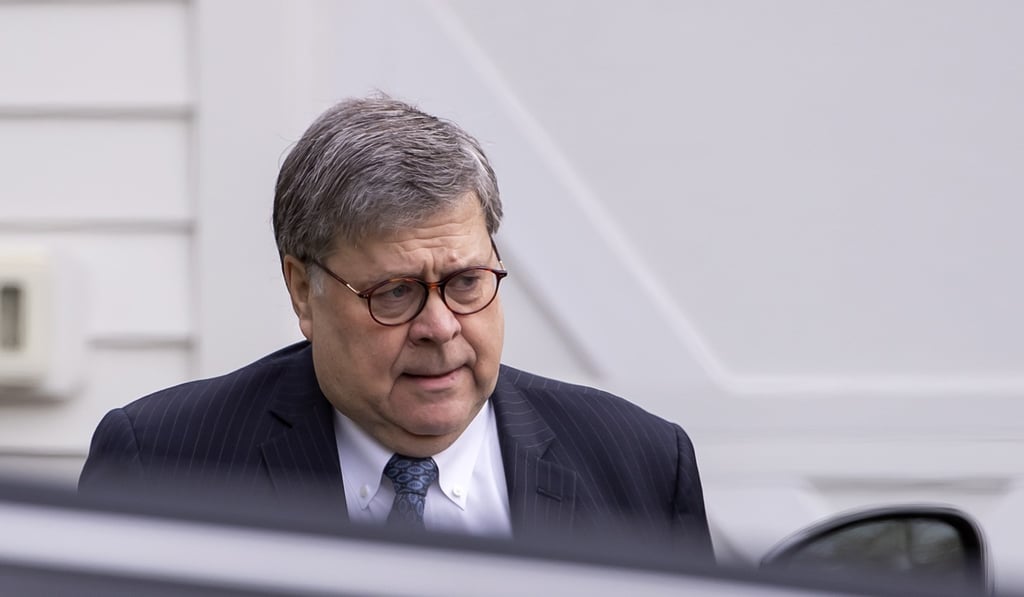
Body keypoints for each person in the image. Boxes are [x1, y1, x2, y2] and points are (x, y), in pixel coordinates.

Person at [80, 96, 713, 557]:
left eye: (466, 282)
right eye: (396, 293)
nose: (439, 327)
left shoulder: (642, 466)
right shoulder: (164, 466)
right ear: (304, 291)